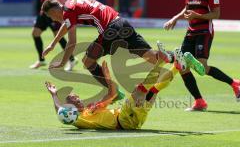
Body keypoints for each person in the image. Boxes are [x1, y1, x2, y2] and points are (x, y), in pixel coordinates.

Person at [45, 51, 204, 130]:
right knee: (139, 90)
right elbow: (61, 112)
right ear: (70, 107)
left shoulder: (90, 108)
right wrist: (54, 95)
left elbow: (112, 94)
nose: (77, 97)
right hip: (123, 120)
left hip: (131, 119)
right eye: (73, 98)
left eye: (75, 96)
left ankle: (177, 67)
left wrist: (107, 78)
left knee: (153, 90)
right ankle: (162, 62)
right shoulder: (79, 119)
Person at [41, 0, 174, 87]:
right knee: (151, 57)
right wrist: (53, 44)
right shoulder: (71, 4)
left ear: (53, 11)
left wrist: (63, 62)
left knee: (88, 61)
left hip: (110, 30)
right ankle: (175, 56)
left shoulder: (68, 12)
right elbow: (66, 24)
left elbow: (72, 42)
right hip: (122, 23)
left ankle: (113, 92)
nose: (52, 19)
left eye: (50, 16)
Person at [164, 0, 240, 111]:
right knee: (182, 66)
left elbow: (216, 13)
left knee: (203, 67)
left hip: (204, 31)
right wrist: (175, 18)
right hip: (190, 31)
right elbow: (188, 9)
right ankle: (199, 101)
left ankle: (235, 83)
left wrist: (197, 15)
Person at [28, 0, 77, 71]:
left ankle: (72, 59)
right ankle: (41, 60)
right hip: (43, 12)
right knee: (35, 33)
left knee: (58, 35)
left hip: (53, 11)